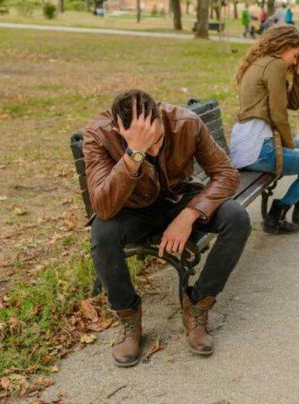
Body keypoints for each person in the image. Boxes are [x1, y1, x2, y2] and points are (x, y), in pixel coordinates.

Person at [84, 89, 251, 366]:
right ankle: (129, 318)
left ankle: (198, 305)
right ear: (118, 129)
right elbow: (103, 207)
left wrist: (189, 215)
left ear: (160, 118)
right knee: (103, 233)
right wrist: (134, 153)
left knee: (237, 218)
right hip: (131, 208)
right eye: (144, 145)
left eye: (157, 139)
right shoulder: (99, 134)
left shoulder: (185, 122)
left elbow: (226, 174)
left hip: (179, 200)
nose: (153, 150)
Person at [231, 25, 299, 235]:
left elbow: (292, 104)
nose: (295, 61)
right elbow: (278, 115)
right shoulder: (275, 65)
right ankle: (278, 213)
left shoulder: (265, 62)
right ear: (285, 45)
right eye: (296, 55)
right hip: (258, 150)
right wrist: (289, 146)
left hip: (253, 142)